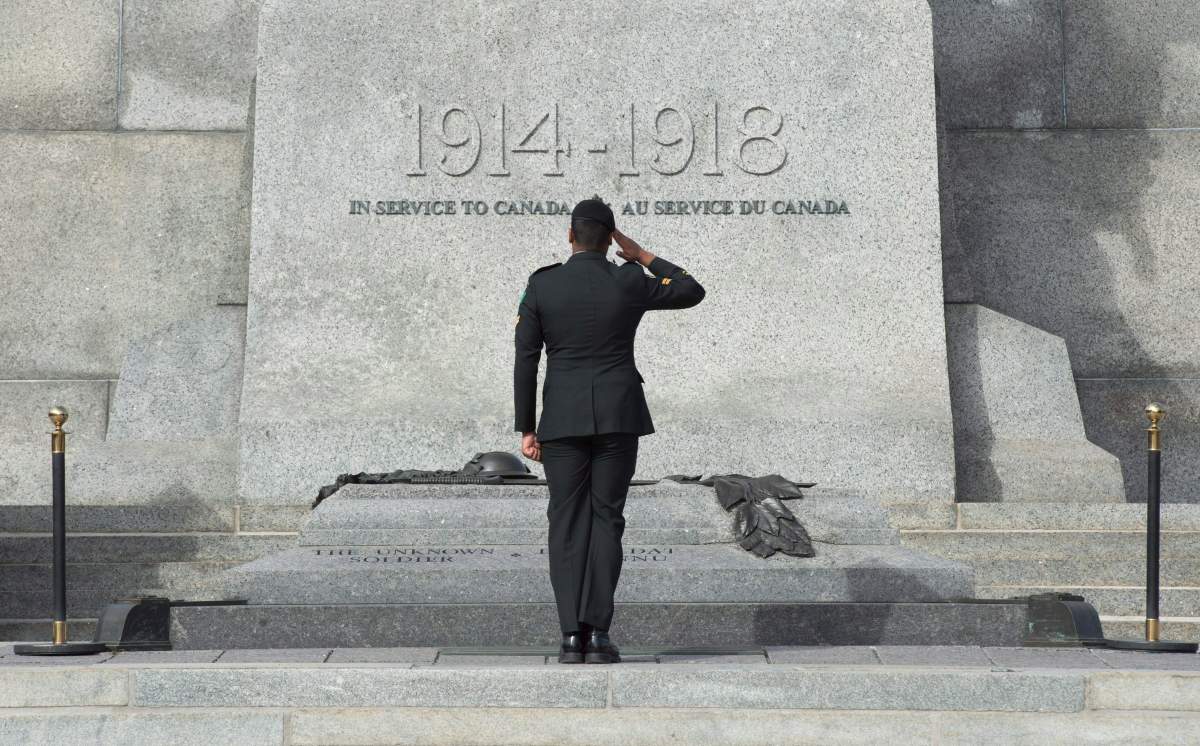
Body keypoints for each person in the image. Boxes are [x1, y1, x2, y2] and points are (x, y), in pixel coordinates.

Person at [513, 197, 706, 664]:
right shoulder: (629, 280)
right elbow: (690, 289)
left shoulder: (543, 285)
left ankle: (569, 637)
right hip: (618, 418)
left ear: (569, 235)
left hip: (561, 422)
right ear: (610, 239)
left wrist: (526, 428)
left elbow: (526, 359)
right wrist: (641, 255)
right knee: (607, 520)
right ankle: (598, 633)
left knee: (565, 523)